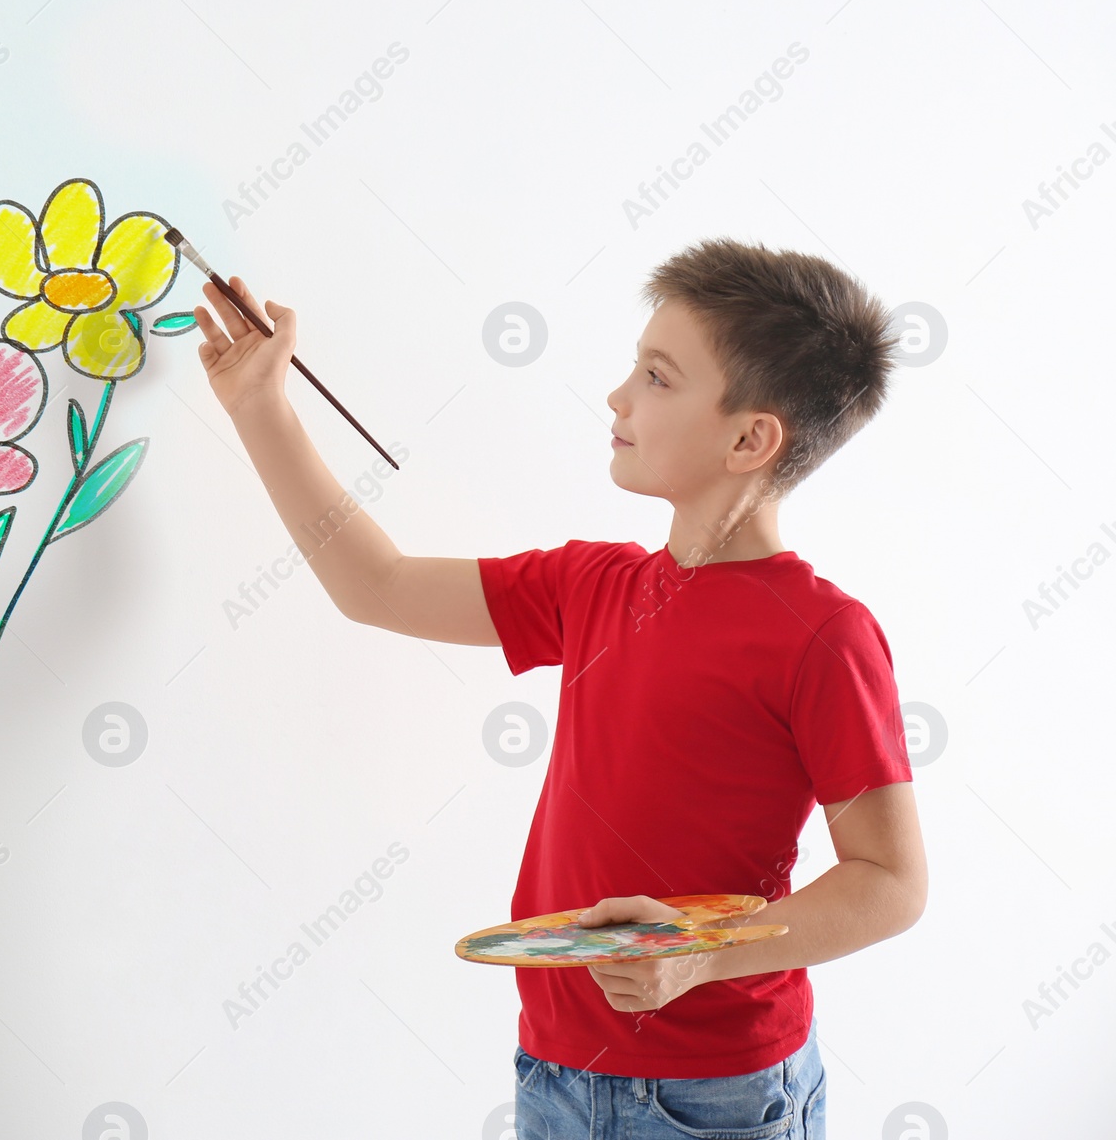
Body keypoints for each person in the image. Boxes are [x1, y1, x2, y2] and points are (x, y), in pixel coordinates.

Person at [190, 236, 927, 1139]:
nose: (618, 396)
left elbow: (890, 882)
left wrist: (697, 958)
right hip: (555, 1069)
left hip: (715, 1093)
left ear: (750, 437)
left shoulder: (826, 636)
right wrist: (259, 405)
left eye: (658, 377)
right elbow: (373, 585)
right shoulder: (591, 586)